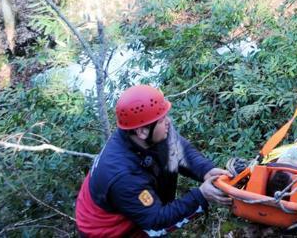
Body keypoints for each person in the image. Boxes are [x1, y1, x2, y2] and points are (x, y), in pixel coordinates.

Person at [75, 85, 231, 237]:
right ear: (142, 131)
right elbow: (155, 222)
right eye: (162, 120)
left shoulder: (147, 128)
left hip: (125, 202)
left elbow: (177, 149)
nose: (168, 122)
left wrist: (205, 170)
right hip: (105, 229)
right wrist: (201, 195)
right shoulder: (123, 175)